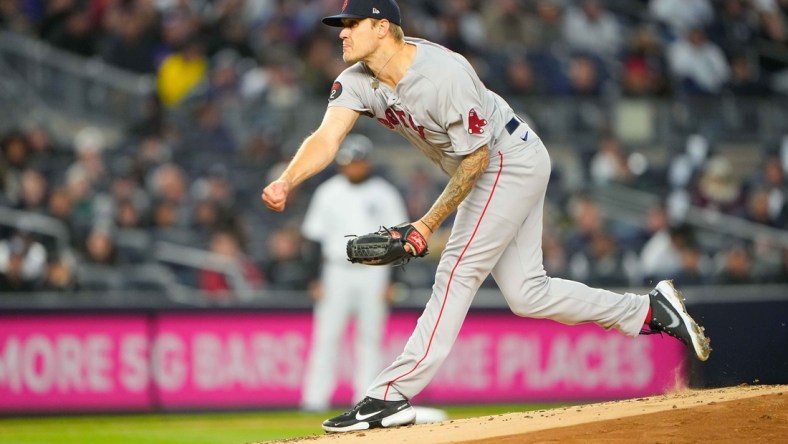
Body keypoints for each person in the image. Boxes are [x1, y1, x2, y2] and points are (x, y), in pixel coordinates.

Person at [261, 0, 711, 433]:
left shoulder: (443, 74)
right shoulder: (357, 79)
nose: (341, 32)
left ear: (382, 27)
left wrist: (425, 225)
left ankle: (389, 394)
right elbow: (326, 136)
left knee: (455, 270)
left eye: (351, 23)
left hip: (504, 158)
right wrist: (287, 179)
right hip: (498, 161)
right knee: (528, 294)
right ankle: (648, 310)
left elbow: (476, 161)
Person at [300, 134, 408, 413]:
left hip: (375, 271)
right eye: (347, 162)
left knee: (370, 337)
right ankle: (314, 399)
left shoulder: (385, 193)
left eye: (357, 162)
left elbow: (399, 241)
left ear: (366, 162)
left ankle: (366, 398)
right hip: (335, 270)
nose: (352, 167)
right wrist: (314, 278)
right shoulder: (328, 192)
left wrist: (393, 280)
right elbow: (314, 240)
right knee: (327, 335)